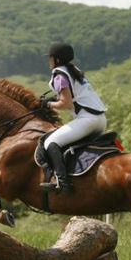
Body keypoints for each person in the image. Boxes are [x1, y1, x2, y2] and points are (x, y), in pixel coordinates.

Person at [39, 42, 107, 192]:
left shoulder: (59, 75)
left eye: (50, 58)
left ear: (56, 59)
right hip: (100, 120)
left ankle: (62, 182)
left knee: (50, 142)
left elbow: (67, 104)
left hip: (88, 119)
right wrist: (53, 100)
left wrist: (49, 105)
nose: (48, 61)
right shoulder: (73, 70)